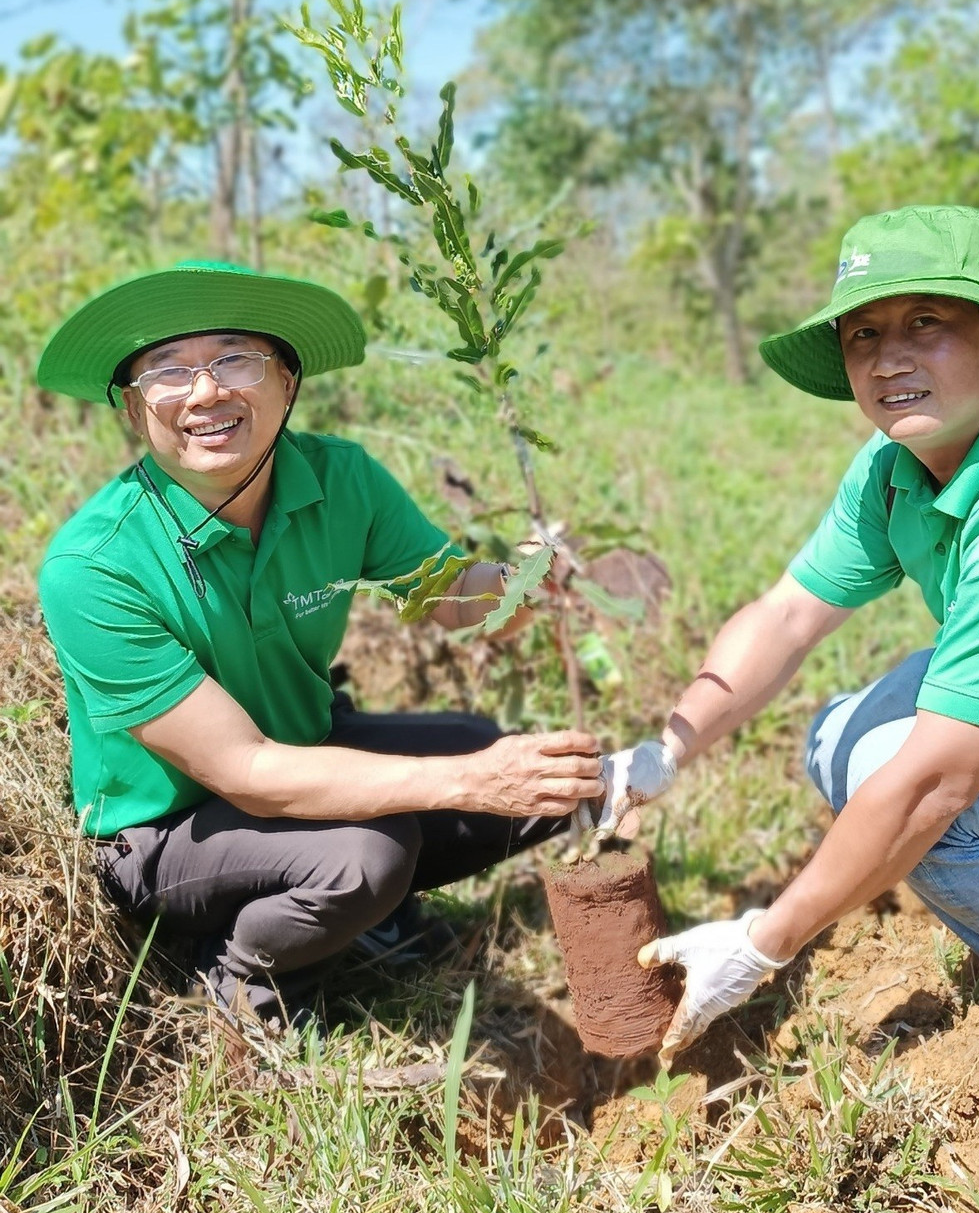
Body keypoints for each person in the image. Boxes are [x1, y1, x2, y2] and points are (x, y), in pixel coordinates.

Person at [593, 203, 979, 1064]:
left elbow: (930, 791)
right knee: (842, 739)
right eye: (863, 334)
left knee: (915, 791)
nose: (890, 358)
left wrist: (767, 941)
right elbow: (787, 613)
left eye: (927, 322)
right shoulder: (900, 468)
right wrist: (668, 748)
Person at [36, 259, 602, 1029]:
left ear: (288, 382)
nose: (204, 392)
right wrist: (469, 783)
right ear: (136, 413)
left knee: (508, 760)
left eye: (235, 358)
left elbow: (452, 597)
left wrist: (537, 581)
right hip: (165, 831)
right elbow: (244, 772)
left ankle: (360, 923)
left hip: (300, 743)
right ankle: (242, 983)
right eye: (167, 372)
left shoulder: (343, 481)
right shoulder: (93, 567)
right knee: (368, 855)